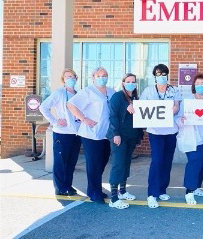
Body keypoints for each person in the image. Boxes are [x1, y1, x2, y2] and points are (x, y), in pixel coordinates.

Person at [67, 67, 115, 203]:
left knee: (103, 161)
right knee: (94, 163)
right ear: (93, 77)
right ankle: (94, 192)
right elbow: (71, 104)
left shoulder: (111, 91)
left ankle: (96, 188)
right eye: (99, 75)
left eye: (105, 75)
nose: (102, 77)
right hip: (91, 134)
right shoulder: (88, 91)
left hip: (106, 133)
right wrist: (84, 118)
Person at [140, 64, 182, 209]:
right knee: (157, 161)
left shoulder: (174, 90)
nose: (162, 76)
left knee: (167, 161)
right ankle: (152, 194)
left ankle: (162, 189)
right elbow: (142, 109)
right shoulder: (148, 91)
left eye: (164, 73)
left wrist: (175, 109)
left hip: (171, 131)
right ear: (155, 76)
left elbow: (177, 107)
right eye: (158, 74)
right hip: (156, 132)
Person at [39, 68, 82, 196]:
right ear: (63, 80)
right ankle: (60, 188)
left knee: (71, 161)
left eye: (73, 76)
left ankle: (68, 185)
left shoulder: (78, 94)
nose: (71, 79)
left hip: (76, 133)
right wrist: (55, 121)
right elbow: (43, 107)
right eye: (68, 77)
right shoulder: (59, 93)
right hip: (62, 134)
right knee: (61, 162)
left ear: (76, 78)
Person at [106, 73, 144, 209]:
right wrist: (116, 134)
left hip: (131, 137)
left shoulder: (135, 98)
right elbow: (113, 116)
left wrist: (139, 136)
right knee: (118, 164)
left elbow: (139, 119)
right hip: (119, 137)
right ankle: (114, 198)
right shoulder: (118, 97)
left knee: (126, 163)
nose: (131, 83)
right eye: (128, 81)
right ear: (123, 83)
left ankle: (122, 191)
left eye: (133, 81)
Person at [176, 74, 203, 205]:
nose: (200, 86)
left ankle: (197, 187)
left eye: (202, 84)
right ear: (193, 86)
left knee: (202, 162)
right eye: (197, 84)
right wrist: (181, 120)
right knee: (195, 161)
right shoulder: (187, 101)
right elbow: (178, 118)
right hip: (192, 138)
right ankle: (189, 191)